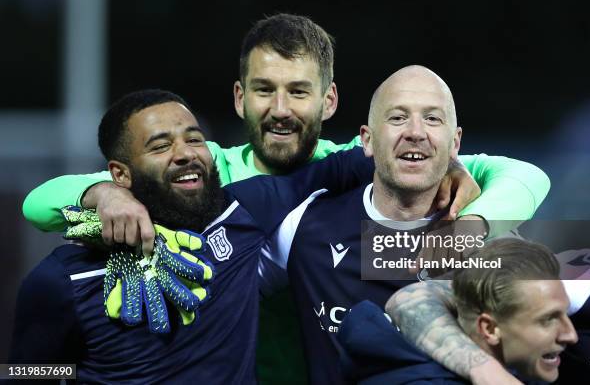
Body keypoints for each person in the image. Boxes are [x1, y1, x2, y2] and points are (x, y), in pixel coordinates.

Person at [20, 14, 550, 384]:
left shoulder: (311, 178)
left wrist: (459, 189)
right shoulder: (209, 184)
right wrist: (104, 196)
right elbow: (40, 208)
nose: (280, 109)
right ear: (239, 97)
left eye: (298, 91)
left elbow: (514, 172)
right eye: (263, 89)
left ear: (329, 100)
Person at [9, 89, 375, 383]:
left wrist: (433, 170)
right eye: (160, 145)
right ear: (119, 175)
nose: (185, 154)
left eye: (194, 139)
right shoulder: (64, 279)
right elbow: (24, 373)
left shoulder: (244, 210)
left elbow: (348, 164)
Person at [262, 65, 551, 383]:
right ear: (367, 141)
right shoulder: (303, 226)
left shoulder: (496, 239)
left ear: (455, 144)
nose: (415, 132)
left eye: (432, 118)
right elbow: (223, 293)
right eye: (397, 117)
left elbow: (585, 302)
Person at [342, 238, 578, 384]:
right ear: (490, 328)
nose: (571, 335)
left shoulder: (517, 361)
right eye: (548, 320)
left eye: (564, 314)